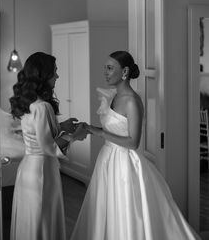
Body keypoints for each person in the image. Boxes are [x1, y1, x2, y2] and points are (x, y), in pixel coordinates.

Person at [70, 50, 200, 240]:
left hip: (123, 164)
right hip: (106, 160)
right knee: (105, 210)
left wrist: (98, 132)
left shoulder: (132, 101)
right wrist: (89, 128)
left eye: (109, 68)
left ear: (125, 72)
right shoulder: (114, 97)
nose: (105, 72)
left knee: (125, 211)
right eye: (105, 68)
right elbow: (115, 129)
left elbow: (133, 142)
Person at [9, 52, 87, 240]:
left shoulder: (28, 102)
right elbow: (47, 147)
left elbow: (34, 133)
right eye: (55, 72)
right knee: (42, 221)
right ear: (44, 76)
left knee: (30, 223)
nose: (57, 76)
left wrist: (61, 126)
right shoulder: (43, 107)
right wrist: (73, 136)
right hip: (42, 172)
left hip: (27, 169)